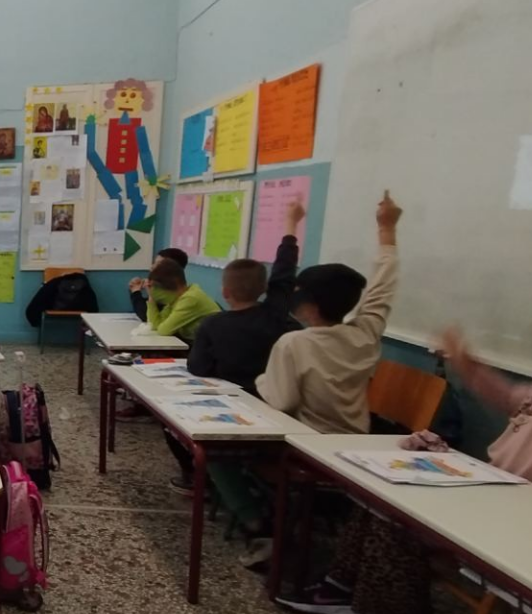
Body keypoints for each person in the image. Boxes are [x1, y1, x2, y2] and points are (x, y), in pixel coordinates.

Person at [277, 197, 532, 614]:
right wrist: (466, 364)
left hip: (526, 519)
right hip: (493, 489)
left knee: (399, 520)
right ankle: (341, 585)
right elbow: (504, 395)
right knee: (377, 498)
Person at [183, 202, 304, 512]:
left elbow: (197, 368)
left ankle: (248, 514)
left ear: (225, 292)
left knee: (205, 448)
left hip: (231, 411)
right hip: (276, 410)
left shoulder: (213, 325)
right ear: (264, 288)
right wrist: (291, 227)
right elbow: (285, 272)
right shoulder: (277, 316)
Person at [256, 192, 401, 434]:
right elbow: (382, 289)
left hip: (307, 443)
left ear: (310, 306)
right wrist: (387, 229)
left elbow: (282, 402)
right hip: (356, 439)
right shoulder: (365, 334)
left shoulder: (293, 343)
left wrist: (262, 380)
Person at [143, 258, 220, 342]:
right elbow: (154, 325)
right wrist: (151, 298)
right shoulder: (176, 299)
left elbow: (164, 330)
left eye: (155, 287)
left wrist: (152, 296)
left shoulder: (190, 299)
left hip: (212, 346)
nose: (154, 290)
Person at [129, 248, 189, 322]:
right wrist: (136, 291)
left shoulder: (175, 294)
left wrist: (136, 292)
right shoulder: (164, 288)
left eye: (158, 265)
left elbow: (146, 315)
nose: (151, 268)